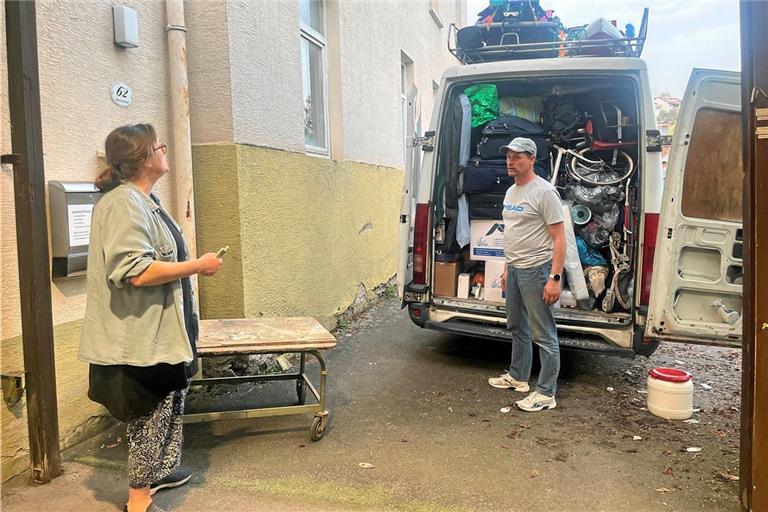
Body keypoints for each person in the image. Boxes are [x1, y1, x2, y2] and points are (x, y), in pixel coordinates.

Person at [79, 124, 223, 512]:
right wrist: (199, 266)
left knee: (172, 400)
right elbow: (136, 271)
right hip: (139, 338)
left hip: (163, 330)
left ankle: (159, 472)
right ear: (143, 159)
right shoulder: (125, 203)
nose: (164, 150)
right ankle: (138, 500)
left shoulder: (146, 200)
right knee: (150, 411)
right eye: (158, 146)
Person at [487, 137, 566, 412]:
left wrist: (554, 278)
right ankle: (519, 377)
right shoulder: (511, 192)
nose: (510, 161)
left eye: (517, 156)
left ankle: (546, 393)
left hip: (537, 270)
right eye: (508, 156)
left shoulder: (544, 193)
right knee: (517, 325)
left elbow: (559, 238)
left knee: (543, 333)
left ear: (532, 159)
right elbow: (513, 233)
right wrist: (508, 269)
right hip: (517, 269)